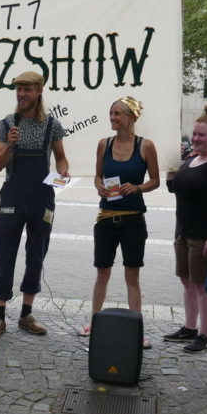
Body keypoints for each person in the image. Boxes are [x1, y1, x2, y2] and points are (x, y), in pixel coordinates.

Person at [0, 71, 70, 340]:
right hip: (12, 196)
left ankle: (26, 314)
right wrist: (9, 145)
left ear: (39, 91)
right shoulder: (6, 124)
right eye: (19, 89)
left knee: (36, 254)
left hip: (42, 196)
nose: (22, 94)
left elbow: (61, 158)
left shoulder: (52, 125)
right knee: (4, 252)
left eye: (27, 89)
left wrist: (64, 173)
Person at [78, 97, 159, 345]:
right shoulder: (104, 144)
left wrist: (137, 188)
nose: (113, 118)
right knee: (102, 273)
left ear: (132, 118)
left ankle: (137, 329)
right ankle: (94, 320)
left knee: (132, 275)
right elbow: (97, 176)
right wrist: (99, 188)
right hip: (106, 219)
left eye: (118, 114)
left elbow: (155, 180)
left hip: (134, 220)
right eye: (111, 113)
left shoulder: (146, 146)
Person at [163, 107, 207, 354]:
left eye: (202, 135)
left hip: (203, 234)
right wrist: (171, 165)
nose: (196, 138)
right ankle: (189, 328)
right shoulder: (191, 160)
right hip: (182, 230)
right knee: (187, 282)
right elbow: (174, 188)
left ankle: (205, 335)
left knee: (203, 286)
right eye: (194, 134)